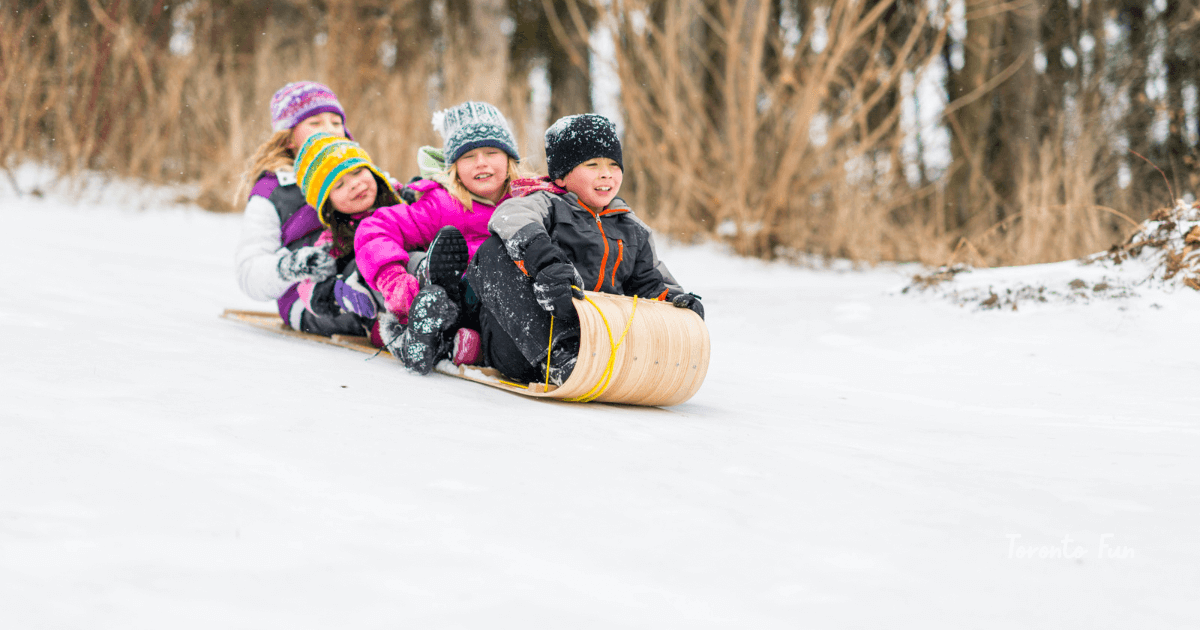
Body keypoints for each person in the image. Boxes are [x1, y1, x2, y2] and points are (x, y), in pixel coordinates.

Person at [430, 113, 703, 385]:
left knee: (655, 299)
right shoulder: (546, 204)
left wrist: (675, 303)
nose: (606, 172)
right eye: (592, 164)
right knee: (493, 251)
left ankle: (575, 355)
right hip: (523, 345)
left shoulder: (631, 229)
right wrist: (546, 265)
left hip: (595, 347)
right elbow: (508, 217)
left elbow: (649, 283)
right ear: (561, 177)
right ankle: (549, 351)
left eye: (613, 164)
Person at [354, 101, 528, 372]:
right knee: (443, 271)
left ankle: (459, 345)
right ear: (454, 166)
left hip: (506, 307)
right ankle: (431, 325)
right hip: (458, 297)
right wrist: (392, 277)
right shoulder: (442, 204)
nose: (481, 162)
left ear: (509, 157)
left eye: (491, 152)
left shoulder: (533, 200)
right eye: (468, 156)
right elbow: (374, 230)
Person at [233, 81, 380, 336]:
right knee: (367, 298)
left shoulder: (357, 173)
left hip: (367, 269)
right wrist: (289, 266)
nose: (329, 131)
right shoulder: (273, 193)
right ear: (289, 138)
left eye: (336, 123)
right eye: (315, 123)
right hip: (311, 300)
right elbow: (249, 270)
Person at [288, 131, 404, 339]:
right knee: (362, 262)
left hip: (422, 282)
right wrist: (336, 292)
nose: (354, 184)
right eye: (339, 185)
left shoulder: (406, 201)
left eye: (358, 171)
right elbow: (308, 288)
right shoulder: (332, 242)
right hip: (383, 311)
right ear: (327, 204)